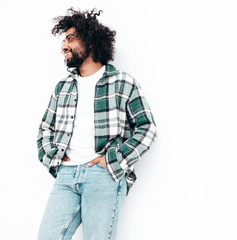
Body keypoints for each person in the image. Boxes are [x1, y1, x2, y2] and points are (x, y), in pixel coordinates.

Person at [37, 8, 157, 240]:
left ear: (90, 43)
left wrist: (114, 159)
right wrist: (53, 156)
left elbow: (147, 128)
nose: (64, 46)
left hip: (103, 175)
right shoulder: (62, 87)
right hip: (66, 175)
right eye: (63, 41)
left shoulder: (123, 82)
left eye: (70, 39)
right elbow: (45, 129)